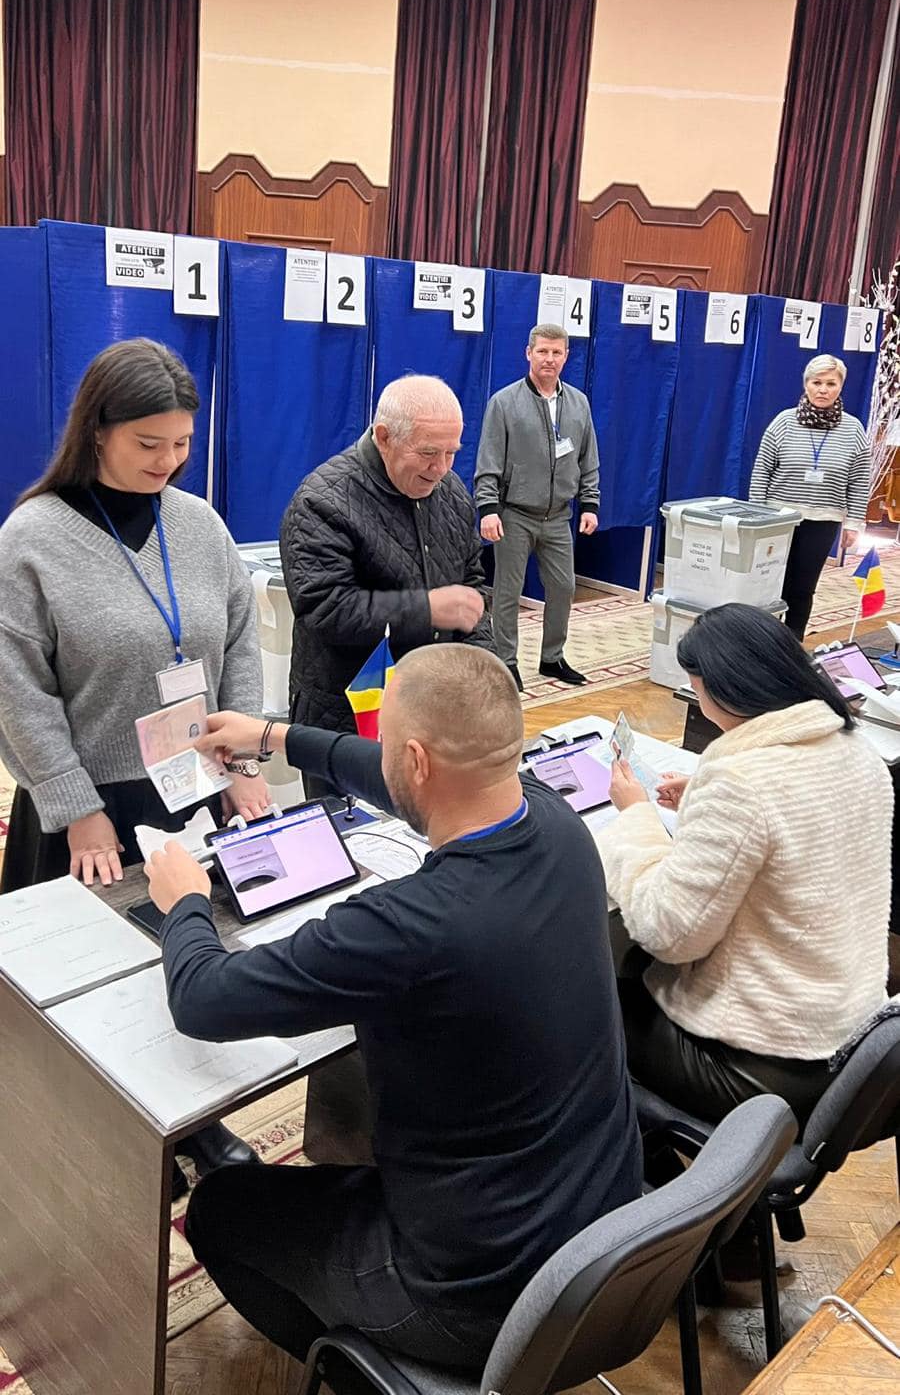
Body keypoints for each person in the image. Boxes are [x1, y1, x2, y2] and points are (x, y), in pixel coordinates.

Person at [144, 644, 642, 1371]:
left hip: (473, 1297)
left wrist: (185, 900)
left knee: (222, 1210)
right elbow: (396, 781)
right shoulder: (556, 822)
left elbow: (202, 998)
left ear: (413, 761)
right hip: (601, 1238)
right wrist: (273, 738)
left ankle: (368, 1373)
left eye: (389, 751)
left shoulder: (408, 925)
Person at [0, 338, 268, 1178]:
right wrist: (73, 802)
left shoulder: (200, 524)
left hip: (187, 786)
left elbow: (240, 642)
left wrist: (246, 756)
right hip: (86, 809)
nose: (169, 460)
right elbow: (17, 689)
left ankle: (190, 1121)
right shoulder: (33, 537)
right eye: (149, 444)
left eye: (182, 443)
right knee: (84, 988)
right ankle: (75, 1136)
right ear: (98, 431)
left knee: (184, 955)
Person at [600, 603, 892, 1130]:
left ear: (725, 690)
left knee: (590, 981)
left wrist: (636, 816)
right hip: (848, 1034)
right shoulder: (856, 751)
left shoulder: (743, 784)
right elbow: (799, 827)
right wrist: (701, 798)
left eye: (696, 689)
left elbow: (670, 933)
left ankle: (623, 1164)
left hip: (758, 1064)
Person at [280, 375, 493, 740]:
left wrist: (488, 667)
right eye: (428, 452)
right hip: (345, 715)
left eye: (452, 452)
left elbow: (471, 584)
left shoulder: (451, 491)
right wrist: (426, 610)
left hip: (432, 705)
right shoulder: (321, 500)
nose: (441, 468)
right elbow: (325, 610)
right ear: (384, 437)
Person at [474, 324, 599, 691]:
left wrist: (589, 503)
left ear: (566, 357)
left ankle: (552, 657)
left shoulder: (579, 403)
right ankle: (506, 661)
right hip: (514, 514)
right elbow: (488, 460)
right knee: (508, 593)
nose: (549, 359)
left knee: (563, 587)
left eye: (556, 352)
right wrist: (488, 508)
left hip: (559, 516)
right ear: (528, 353)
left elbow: (588, 457)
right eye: (542, 351)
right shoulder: (504, 403)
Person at [749, 353, 871, 639]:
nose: (823, 389)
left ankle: (792, 645)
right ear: (806, 384)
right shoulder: (783, 422)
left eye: (831, 383)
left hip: (823, 519)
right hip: (777, 519)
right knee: (770, 582)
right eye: (817, 382)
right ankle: (762, 643)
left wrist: (854, 523)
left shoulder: (853, 429)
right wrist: (756, 516)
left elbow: (859, 479)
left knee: (803, 587)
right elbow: (761, 471)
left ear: (841, 387)